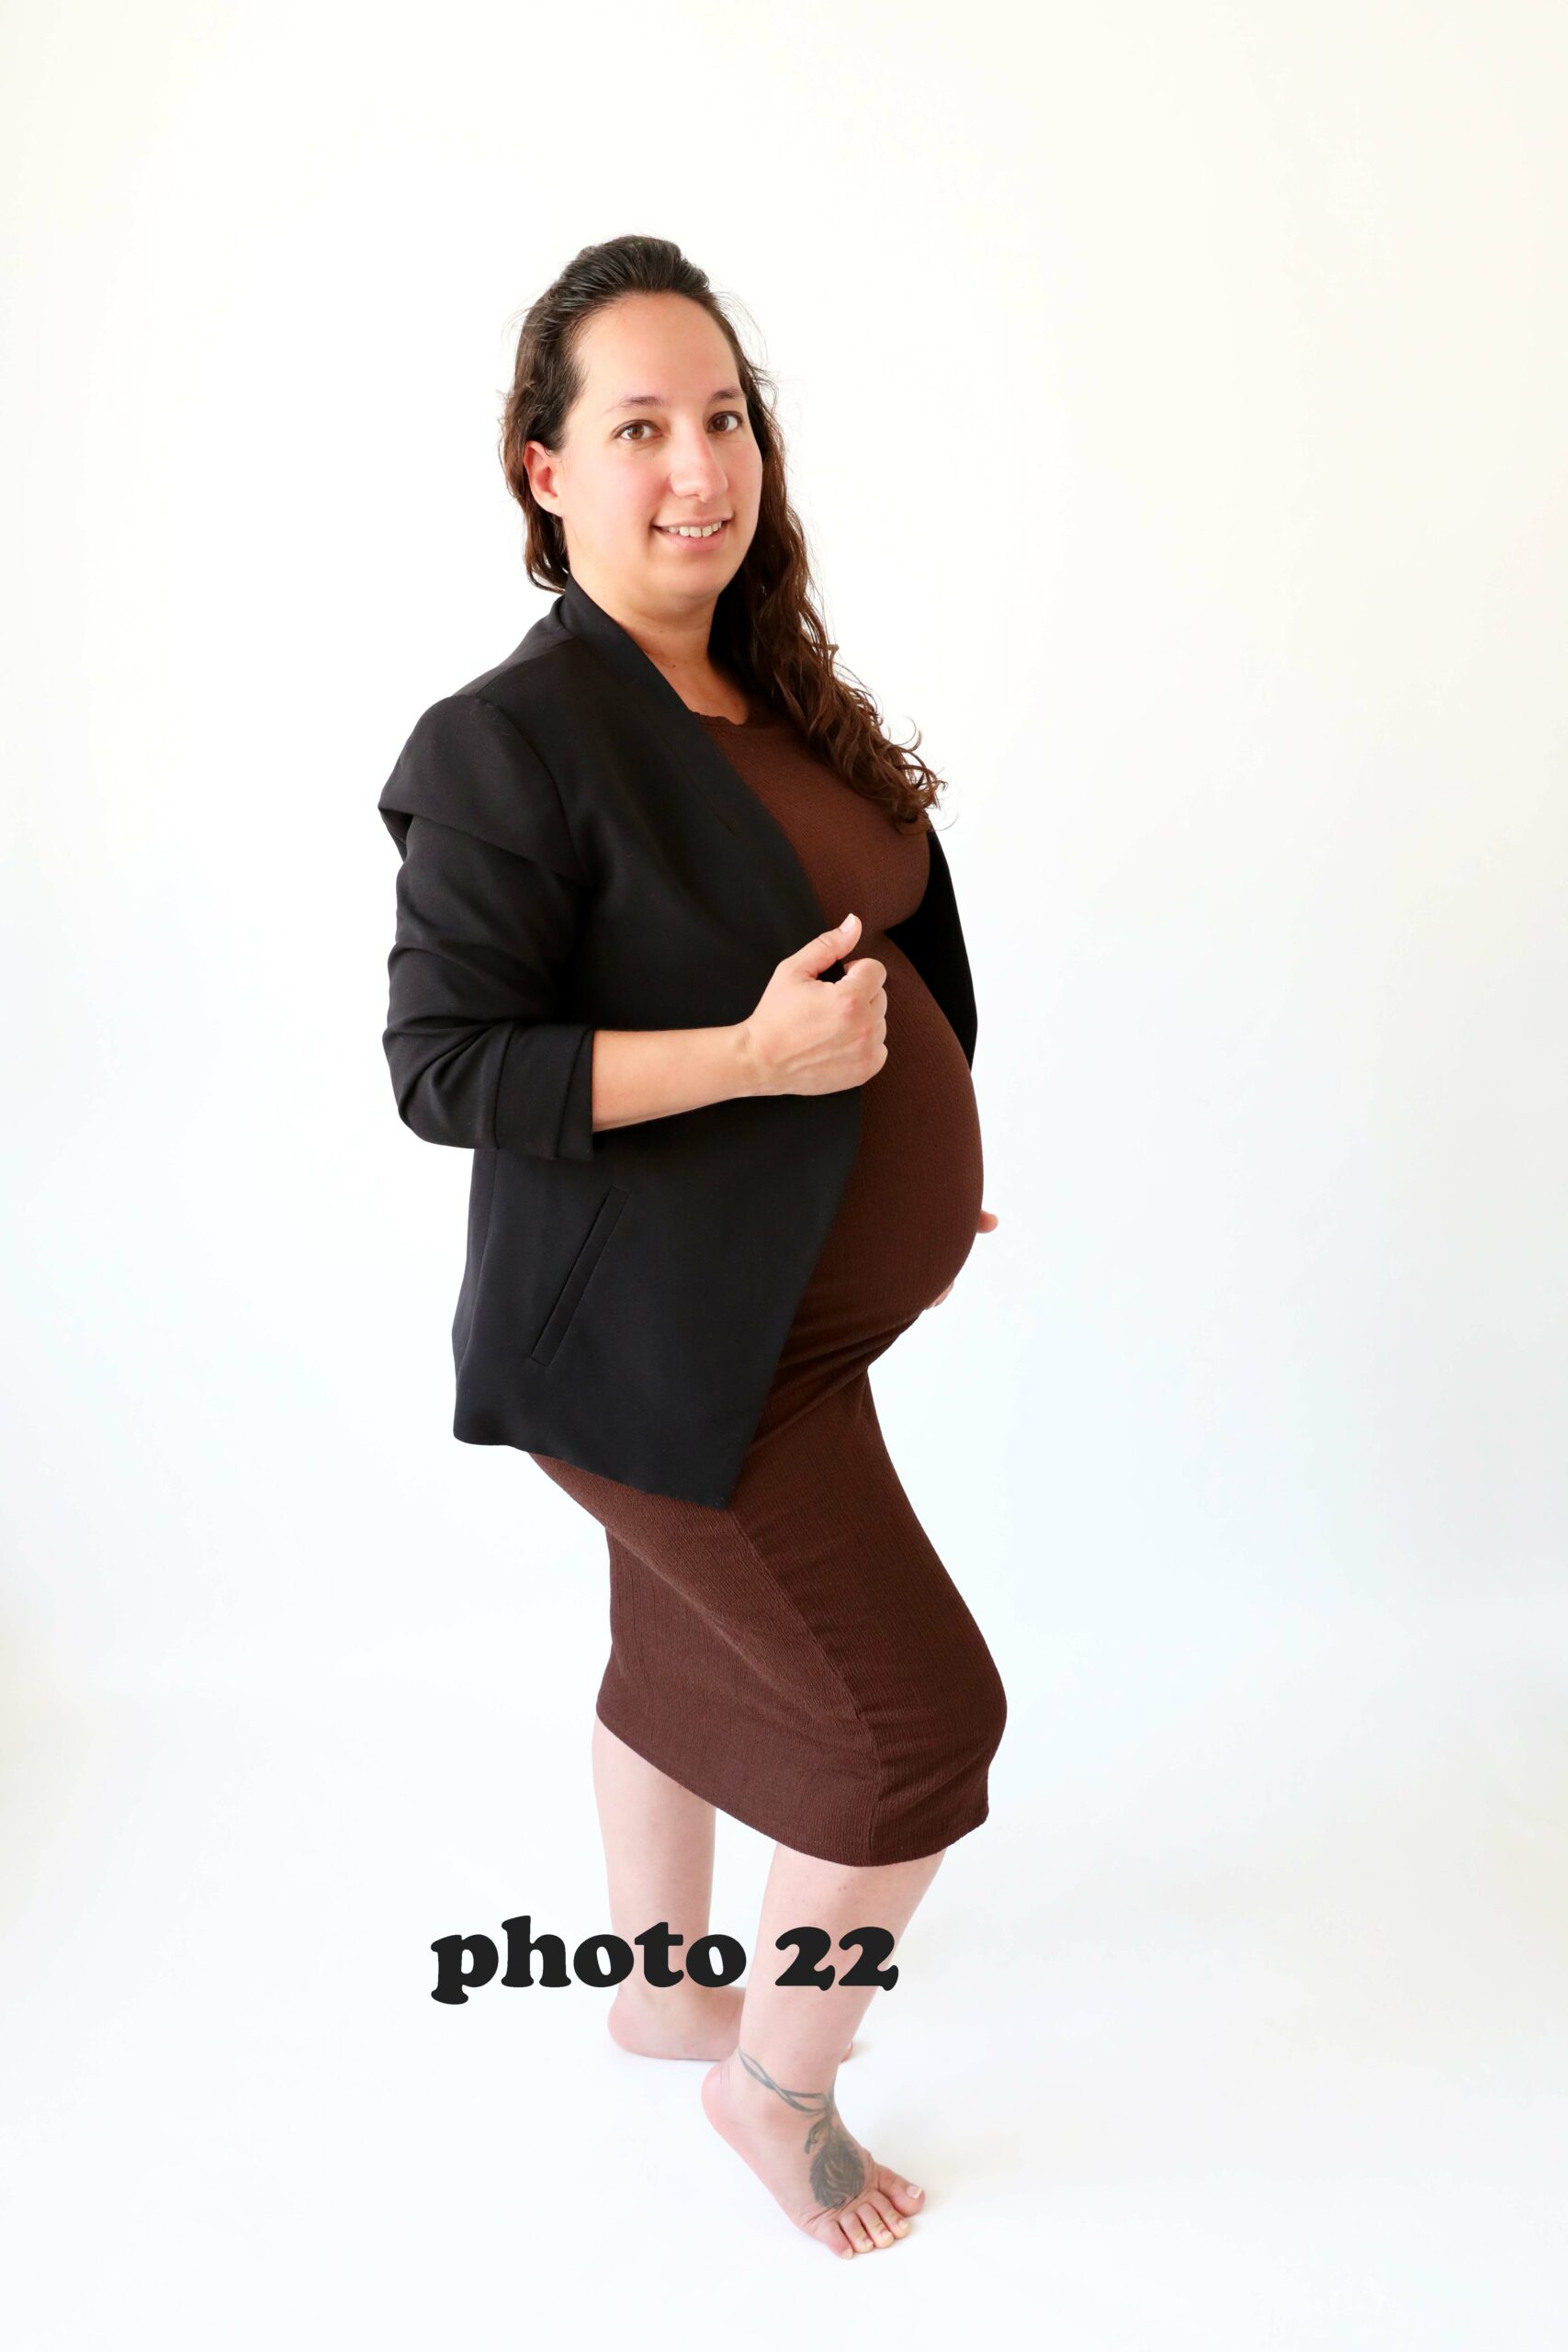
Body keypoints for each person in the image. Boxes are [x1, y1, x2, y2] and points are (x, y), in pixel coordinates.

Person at [386, 234, 1007, 2260]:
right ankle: (777, 2088)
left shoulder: (772, 678)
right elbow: (446, 1065)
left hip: (770, 1313)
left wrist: (913, 1155)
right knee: (915, 1727)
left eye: (722, 416)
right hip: (651, 1348)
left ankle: (665, 1996)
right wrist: (754, 1062)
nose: (696, 466)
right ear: (543, 468)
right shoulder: (508, 740)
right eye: (638, 425)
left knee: (674, 1653)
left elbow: (883, 930)